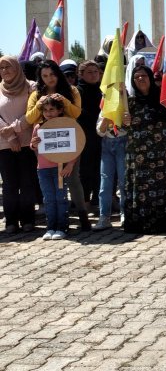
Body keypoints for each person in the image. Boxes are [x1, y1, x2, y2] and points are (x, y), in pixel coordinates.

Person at [26, 60, 91, 232]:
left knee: (73, 178)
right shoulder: (35, 94)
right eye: (45, 76)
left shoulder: (72, 90)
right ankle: (58, 221)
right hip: (45, 143)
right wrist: (40, 103)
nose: (49, 79)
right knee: (50, 181)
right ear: (40, 78)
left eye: (52, 74)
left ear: (58, 73)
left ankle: (83, 216)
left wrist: (64, 100)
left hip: (68, 140)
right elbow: (29, 119)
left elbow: (76, 113)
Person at [122, 66, 166, 234]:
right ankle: (141, 224)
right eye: (137, 77)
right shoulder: (130, 104)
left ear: (150, 77)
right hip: (138, 155)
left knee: (163, 187)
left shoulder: (163, 100)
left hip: (162, 154)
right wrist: (123, 121)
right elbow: (118, 129)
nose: (140, 79)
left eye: (144, 76)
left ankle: (164, 223)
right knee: (141, 190)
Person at [30, 94, 79, 240]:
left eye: (51, 109)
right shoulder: (39, 126)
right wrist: (34, 143)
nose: (48, 113)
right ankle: (50, 227)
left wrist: (70, 164)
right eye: (45, 110)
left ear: (59, 110)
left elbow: (75, 147)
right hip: (43, 169)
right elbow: (33, 145)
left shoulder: (66, 125)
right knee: (48, 199)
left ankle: (62, 227)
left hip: (59, 168)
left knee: (60, 198)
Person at [0, 56, 37, 233]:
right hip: (4, 143)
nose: (5, 70)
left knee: (27, 182)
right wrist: (11, 138)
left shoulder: (31, 87)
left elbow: (33, 113)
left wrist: (15, 128)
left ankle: (28, 219)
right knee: (9, 184)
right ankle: (11, 221)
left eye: (8, 67)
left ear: (17, 68)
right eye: (1, 68)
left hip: (27, 142)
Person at [76, 61, 103, 210]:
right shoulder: (77, 91)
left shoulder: (102, 90)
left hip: (101, 134)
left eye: (96, 72)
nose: (93, 75)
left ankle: (97, 199)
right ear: (81, 74)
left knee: (99, 168)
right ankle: (84, 200)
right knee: (85, 169)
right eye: (90, 72)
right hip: (84, 134)